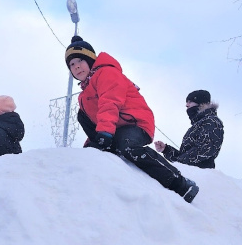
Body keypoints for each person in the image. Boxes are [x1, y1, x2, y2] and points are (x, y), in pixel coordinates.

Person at [66, 35, 199, 203]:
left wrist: (105, 134)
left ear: (90, 60)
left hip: (135, 122)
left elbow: (110, 103)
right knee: (82, 116)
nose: (76, 66)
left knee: (128, 146)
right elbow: (97, 120)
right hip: (114, 128)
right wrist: (93, 144)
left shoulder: (106, 73)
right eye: (71, 64)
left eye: (80, 60)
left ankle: (179, 183)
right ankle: (103, 147)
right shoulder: (84, 95)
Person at [154, 89, 224, 169]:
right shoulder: (198, 124)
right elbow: (186, 156)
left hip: (200, 174)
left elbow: (204, 150)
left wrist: (179, 164)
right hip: (192, 172)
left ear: (201, 103)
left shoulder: (211, 121)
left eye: (190, 101)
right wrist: (166, 150)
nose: (187, 105)